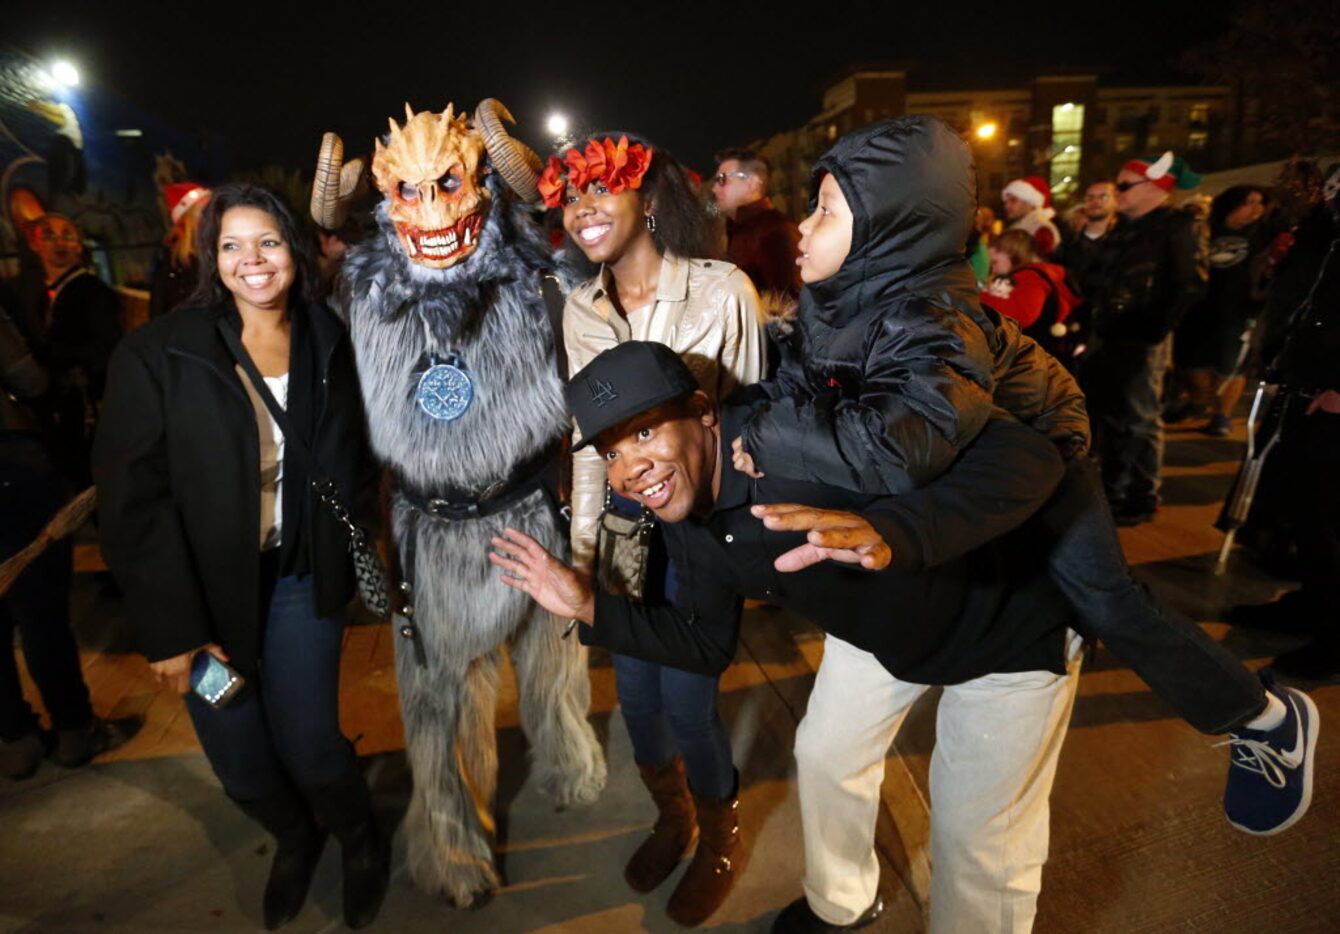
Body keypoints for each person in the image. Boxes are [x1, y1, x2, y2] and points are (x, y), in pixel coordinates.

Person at [493, 340, 1089, 934]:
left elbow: (1029, 457)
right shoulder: (685, 507)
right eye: (612, 451)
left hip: (1004, 621)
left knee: (978, 838)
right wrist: (589, 602)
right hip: (880, 623)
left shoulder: (800, 435)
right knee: (827, 757)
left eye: (644, 433)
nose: (629, 469)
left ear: (703, 411)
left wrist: (895, 531)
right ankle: (843, 902)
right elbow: (705, 643)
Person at [91, 184, 389, 930]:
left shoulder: (331, 338)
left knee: (315, 747)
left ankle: (356, 835)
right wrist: (169, 630)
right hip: (202, 600)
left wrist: (350, 536)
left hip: (295, 581)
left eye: (268, 242)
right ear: (209, 257)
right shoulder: (162, 352)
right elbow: (132, 502)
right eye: (231, 245)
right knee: (240, 759)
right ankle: (293, 837)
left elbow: (354, 456)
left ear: (295, 248)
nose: (252, 261)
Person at [544, 131, 765, 926]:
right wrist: (583, 562)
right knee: (635, 699)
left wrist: (754, 539)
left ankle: (717, 837)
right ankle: (672, 820)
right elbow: (592, 445)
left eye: (603, 186)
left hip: (702, 533)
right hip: (625, 533)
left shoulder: (723, 290)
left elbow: (755, 420)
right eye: (571, 196)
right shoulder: (579, 309)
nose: (585, 208)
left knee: (687, 701)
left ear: (646, 194)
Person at [1, 302, 140, 779]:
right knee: (38, 608)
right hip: (8, 470)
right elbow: (28, 380)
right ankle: (75, 730)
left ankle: (15, 738)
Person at [1228, 165, 1340, 680]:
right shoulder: (1326, 234)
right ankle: (1316, 602)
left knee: (1332, 519)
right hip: (1308, 390)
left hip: (1332, 401)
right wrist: (1283, 367)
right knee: (1309, 514)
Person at [1078, 152, 1206, 525]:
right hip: (1110, 335)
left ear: (1154, 186)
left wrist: (1154, 330)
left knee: (1137, 416)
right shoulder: (1126, 228)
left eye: (1124, 186)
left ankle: (1139, 492)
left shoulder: (1177, 226)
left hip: (1142, 339)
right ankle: (1111, 485)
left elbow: (1189, 284)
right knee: (1107, 411)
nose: (1117, 193)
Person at [1166, 185, 1272, 436]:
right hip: (1199, 309)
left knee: (1232, 367)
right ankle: (1197, 401)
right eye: (1249, 201)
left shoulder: (1264, 235)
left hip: (1238, 311)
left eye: (1259, 202)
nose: (1255, 208)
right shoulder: (1205, 229)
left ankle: (1221, 416)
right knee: (1192, 365)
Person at [27, 214, 122, 487]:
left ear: (79, 246)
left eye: (67, 235)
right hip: (66, 412)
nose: (60, 242)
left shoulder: (92, 291)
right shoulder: (43, 294)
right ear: (35, 245)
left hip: (89, 412)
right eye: (49, 235)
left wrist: (55, 356)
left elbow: (108, 348)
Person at [711, 148, 802, 300]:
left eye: (722, 179)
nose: (714, 188)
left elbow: (792, 303)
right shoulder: (738, 230)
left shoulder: (776, 231)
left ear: (752, 183)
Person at [981, 228, 1082, 358]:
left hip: (1031, 358)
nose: (991, 254)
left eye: (996, 257)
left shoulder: (1032, 278)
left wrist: (974, 297)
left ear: (1014, 253)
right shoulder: (1027, 274)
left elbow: (1022, 316)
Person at [149, 182, 210, 319]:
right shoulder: (170, 257)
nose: (213, 214)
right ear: (187, 218)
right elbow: (159, 307)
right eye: (204, 209)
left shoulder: (221, 246)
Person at [1002, 175, 1062, 256]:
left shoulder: (1041, 228)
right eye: (1006, 202)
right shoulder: (1020, 226)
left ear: (1030, 202)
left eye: (1013, 200)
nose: (1007, 206)